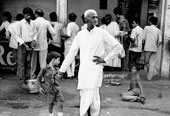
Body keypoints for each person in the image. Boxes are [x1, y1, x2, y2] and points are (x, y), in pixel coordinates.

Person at [59, 9, 122, 116]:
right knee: (84, 97)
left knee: (94, 99)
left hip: (96, 70)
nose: (96, 19)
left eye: (97, 17)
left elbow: (118, 47)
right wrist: (61, 70)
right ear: (87, 19)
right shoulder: (80, 34)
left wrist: (105, 59)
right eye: (94, 17)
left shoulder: (102, 32)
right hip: (84, 72)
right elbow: (71, 54)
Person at [30, 9, 56, 79]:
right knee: (43, 63)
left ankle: (32, 76)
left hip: (34, 45)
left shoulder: (33, 22)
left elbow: (31, 34)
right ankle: (42, 78)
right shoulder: (47, 22)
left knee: (33, 62)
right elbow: (53, 32)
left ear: (36, 14)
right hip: (43, 45)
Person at [37, 52, 64, 116]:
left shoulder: (57, 69)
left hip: (57, 89)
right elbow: (38, 79)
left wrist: (59, 75)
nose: (59, 62)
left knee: (61, 103)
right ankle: (51, 114)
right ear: (53, 60)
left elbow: (59, 78)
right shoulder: (44, 69)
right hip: (49, 90)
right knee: (50, 104)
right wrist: (40, 87)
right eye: (58, 60)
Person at [16, 7, 37, 86]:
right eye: (27, 15)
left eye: (30, 15)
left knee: (29, 63)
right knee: (21, 64)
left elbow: (35, 33)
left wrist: (34, 40)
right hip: (22, 45)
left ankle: (28, 79)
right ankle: (21, 80)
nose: (29, 17)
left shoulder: (33, 23)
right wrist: (24, 44)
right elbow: (17, 36)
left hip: (30, 44)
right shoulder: (20, 23)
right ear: (24, 15)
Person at [61, 13, 79, 79]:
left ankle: (69, 74)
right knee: (73, 60)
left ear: (69, 18)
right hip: (74, 44)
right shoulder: (77, 26)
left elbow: (68, 35)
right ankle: (73, 73)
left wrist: (62, 35)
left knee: (67, 59)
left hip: (68, 44)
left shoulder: (69, 25)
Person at [113, 7, 131, 71]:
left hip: (123, 41)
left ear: (117, 14)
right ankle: (124, 69)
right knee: (123, 56)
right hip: (123, 41)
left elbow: (125, 32)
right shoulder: (123, 20)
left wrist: (119, 34)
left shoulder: (123, 21)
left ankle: (124, 70)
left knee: (124, 56)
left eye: (115, 15)